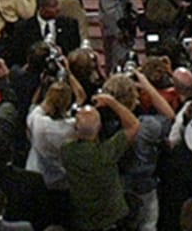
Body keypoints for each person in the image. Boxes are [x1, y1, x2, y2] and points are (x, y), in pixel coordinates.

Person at [59, 96, 140, 231]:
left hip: (84, 220)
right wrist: (111, 101)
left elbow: (76, 135)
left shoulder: (66, 151)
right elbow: (134, 125)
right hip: (112, 218)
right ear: (100, 127)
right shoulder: (106, 152)